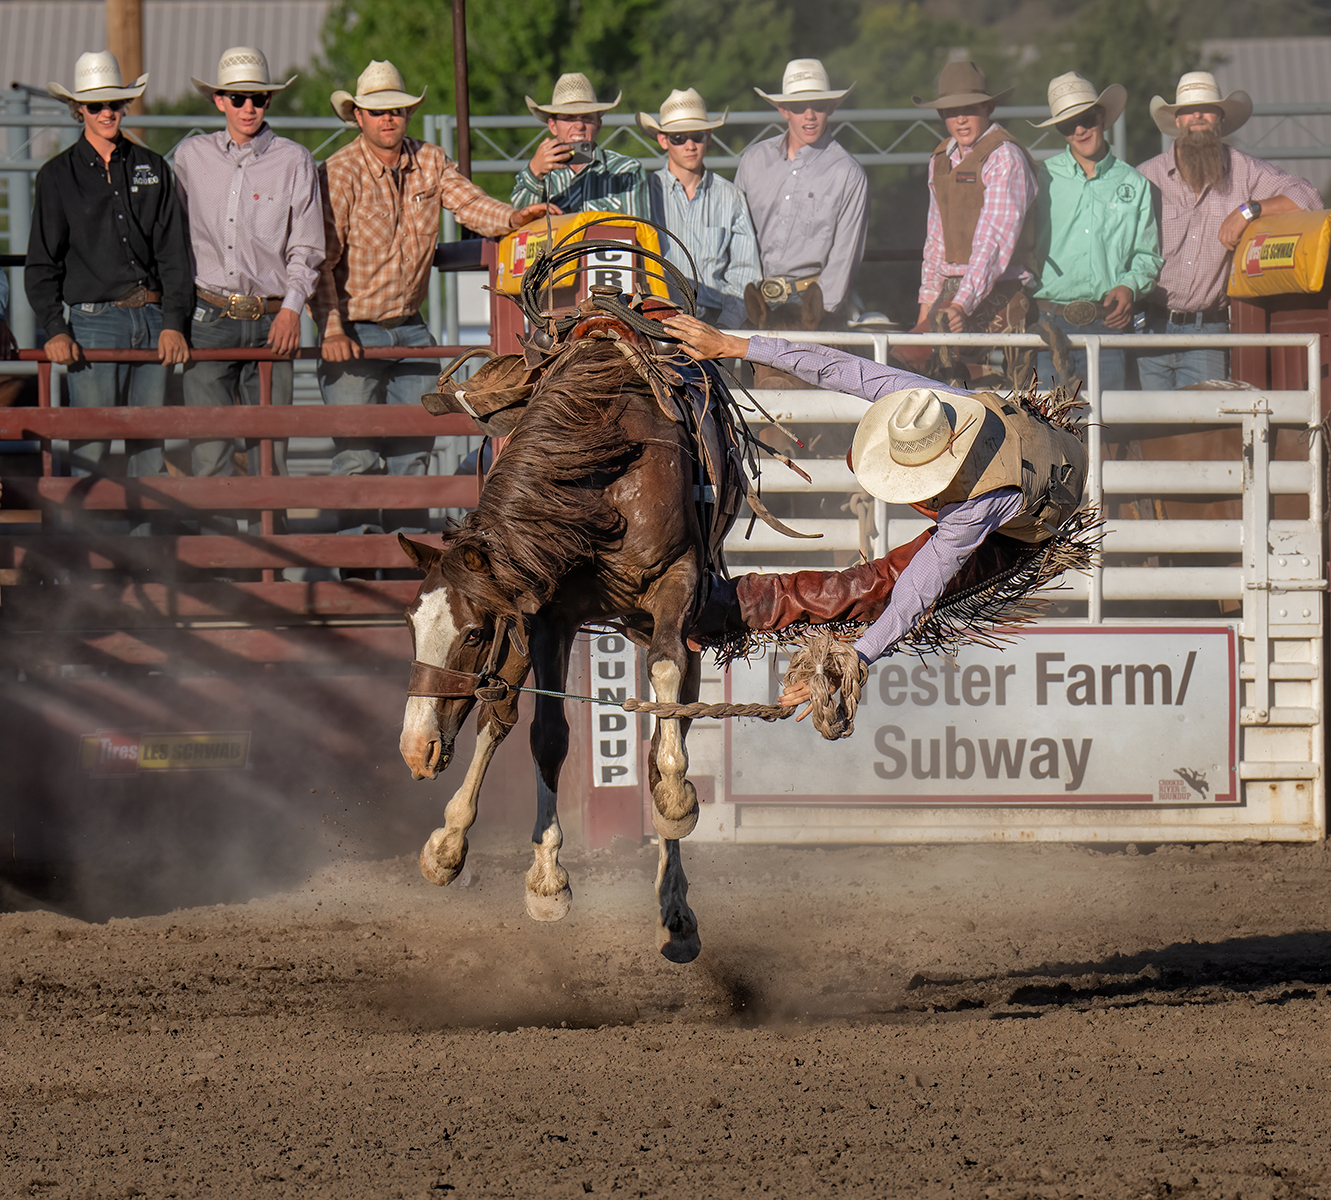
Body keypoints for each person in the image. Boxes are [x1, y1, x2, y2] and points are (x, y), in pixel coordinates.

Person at [664, 315, 1087, 709]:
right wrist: (735, 344)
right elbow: (840, 367)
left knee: (875, 587)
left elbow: (911, 598)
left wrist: (853, 661)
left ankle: (725, 606)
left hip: (1020, 528)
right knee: (857, 466)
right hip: (1033, 453)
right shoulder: (939, 408)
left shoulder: (973, 509)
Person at [311, 60, 554, 532]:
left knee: (413, 452)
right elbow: (321, 256)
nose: (389, 118)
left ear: (407, 114)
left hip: (408, 324)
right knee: (356, 454)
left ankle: (404, 562)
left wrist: (513, 219)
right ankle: (358, 566)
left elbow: (470, 203)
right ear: (358, 116)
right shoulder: (339, 173)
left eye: (397, 110)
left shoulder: (430, 161)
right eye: (378, 111)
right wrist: (331, 324)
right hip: (353, 326)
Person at [25, 50, 192, 529]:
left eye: (115, 104)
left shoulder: (153, 167)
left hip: (153, 319)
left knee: (149, 444)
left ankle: (146, 562)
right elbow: (42, 263)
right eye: (96, 106)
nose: (107, 113)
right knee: (91, 446)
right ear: (79, 110)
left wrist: (174, 322)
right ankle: (81, 564)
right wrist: (55, 328)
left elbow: (174, 255)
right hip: (94, 323)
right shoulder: (57, 176)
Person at [173, 47, 324, 504]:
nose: (248, 108)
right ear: (218, 100)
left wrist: (293, 309)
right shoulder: (189, 157)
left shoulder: (295, 160)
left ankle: (270, 568)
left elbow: (307, 245)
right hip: (209, 314)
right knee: (209, 451)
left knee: (270, 451)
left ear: (268, 101)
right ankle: (215, 565)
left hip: (272, 319)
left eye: (257, 98)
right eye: (237, 98)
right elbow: (171, 240)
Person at [1135, 72, 1321, 389]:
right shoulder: (1145, 177)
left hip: (1208, 329)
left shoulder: (1245, 171)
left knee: (1205, 431)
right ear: (1177, 120)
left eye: (1207, 109)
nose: (1197, 116)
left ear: (1220, 118)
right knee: (1144, 430)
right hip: (1150, 325)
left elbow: (1309, 197)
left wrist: (1249, 210)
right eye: (1189, 110)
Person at [1029, 72, 1161, 394]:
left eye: (1085, 119)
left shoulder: (1135, 183)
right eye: (1067, 124)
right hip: (1049, 321)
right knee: (1049, 431)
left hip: (1108, 321)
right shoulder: (1041, 177)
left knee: (1108, 427)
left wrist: (1129, 285)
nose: (1078, 130)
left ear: (1101, 116)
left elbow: (1148, 255)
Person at [911, 61, 1038, 382]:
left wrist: (961, 304)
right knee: (911, 361)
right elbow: (936, 237)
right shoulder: (941, 158)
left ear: (988, 106)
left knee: (946, 369)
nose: (960, 118)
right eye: (951, 111)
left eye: (969, 108)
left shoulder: (1005, 156)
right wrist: (927, 303)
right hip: (953, 289)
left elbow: (993, 241)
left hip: (1002, 288)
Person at [736, 59, 867, 317]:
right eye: (799, 107)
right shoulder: (754, 160)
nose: (809, 115)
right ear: (784, 110)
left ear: (830, 108)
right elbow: (736, 237)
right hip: (754, 300)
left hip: (811, 305)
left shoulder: (848, 173)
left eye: (817, 106)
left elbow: (844, 258)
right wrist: (742, 304)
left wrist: (818, 314)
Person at [637, 88, 760, 328]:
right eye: (679, 138)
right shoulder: (643, 194)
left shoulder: (731, 196)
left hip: (715, 320)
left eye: (697, 135)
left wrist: (724, 327)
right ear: (663, 140)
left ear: (708, 137)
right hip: (657, 318)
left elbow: (746, 272)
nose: (690, 145)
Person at [510, 74, 647, 216]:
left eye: (587, 118)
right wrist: (535, 172)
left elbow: (637, 230)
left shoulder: (626, 170)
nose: (579, 125)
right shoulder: (535, 173)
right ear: (553, 126)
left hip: (605, 240)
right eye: (569, 118)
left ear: (598, 125)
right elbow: (520, 223)